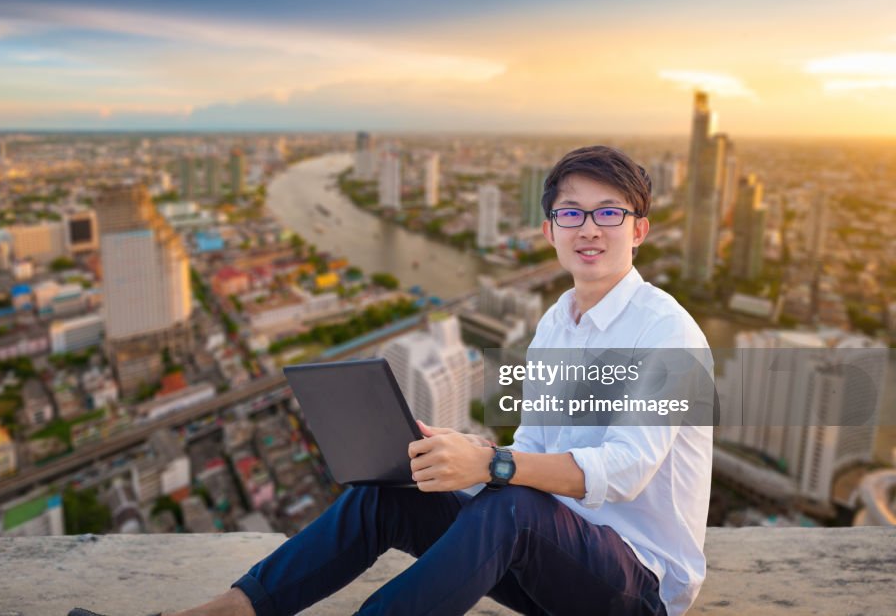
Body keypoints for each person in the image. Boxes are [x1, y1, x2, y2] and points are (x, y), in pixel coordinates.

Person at [71, 145, 712, 616]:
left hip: (639, 586)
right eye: (571, 214)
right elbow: (536, 446)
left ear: (639, 230)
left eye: (609, 213)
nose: (590, 229)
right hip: (552, 561)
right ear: (549, 232)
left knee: (509, 499)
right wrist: (450, 450)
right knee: (391, 488)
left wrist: (489, 462)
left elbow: (624, 470)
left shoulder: (670, 334)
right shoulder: (557, 323)